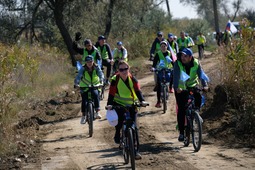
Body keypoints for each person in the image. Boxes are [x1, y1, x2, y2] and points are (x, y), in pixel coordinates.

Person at [106, 61, 148, 159]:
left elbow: (138, 91)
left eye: (126, 69)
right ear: (118, 71)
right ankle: (117, 134)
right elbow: (111, 94)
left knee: (135, 128)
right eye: (121, 69)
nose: (124, 71)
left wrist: (142, 101)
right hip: (118, 104)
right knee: (119, 122)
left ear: (128, 69)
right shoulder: (115, 79)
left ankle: (136, 151)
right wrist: (110, 104)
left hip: (132, 104)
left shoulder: (133, 79)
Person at [173, 48, 208, 142]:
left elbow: (201, 75)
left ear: (190, 57)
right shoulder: (178, 63)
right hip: (181, 88)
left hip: (192, 85)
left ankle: (196, 113)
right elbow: (175, 76)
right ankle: (181, 132)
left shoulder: (196, 63)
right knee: (181, 109)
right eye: (182, 56)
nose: (183, 58)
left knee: (198, 96)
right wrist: (176, 88)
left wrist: (205, 85)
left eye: (185, 56)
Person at [74, 55, 104, 124]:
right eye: (88, 62)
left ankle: (97, 112)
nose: (89, 63)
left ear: (93, 61)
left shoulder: (96, 67)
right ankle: (83, 116)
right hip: (85, 86)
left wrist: (102, 82)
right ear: (86, 62)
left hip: (95, 85)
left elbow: (101, 74)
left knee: (96, 95)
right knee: (84, 100)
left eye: (90, 61)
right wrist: (77, 83)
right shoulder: (83, 68)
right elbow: (79, 76)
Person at [151, 41, 175, 108]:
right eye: (162, 46)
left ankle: (170, 87)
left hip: (168, 69)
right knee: (158, 85)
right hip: (160, 70)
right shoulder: (158, 54)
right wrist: (153, 68)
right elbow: (154, 63)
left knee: (172, 76)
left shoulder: (169, 53)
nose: (163, 47)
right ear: (160, 47)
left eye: (164, 46)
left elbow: (173, 62)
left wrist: (175, 67)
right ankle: (158, 101)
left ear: (167, 47)